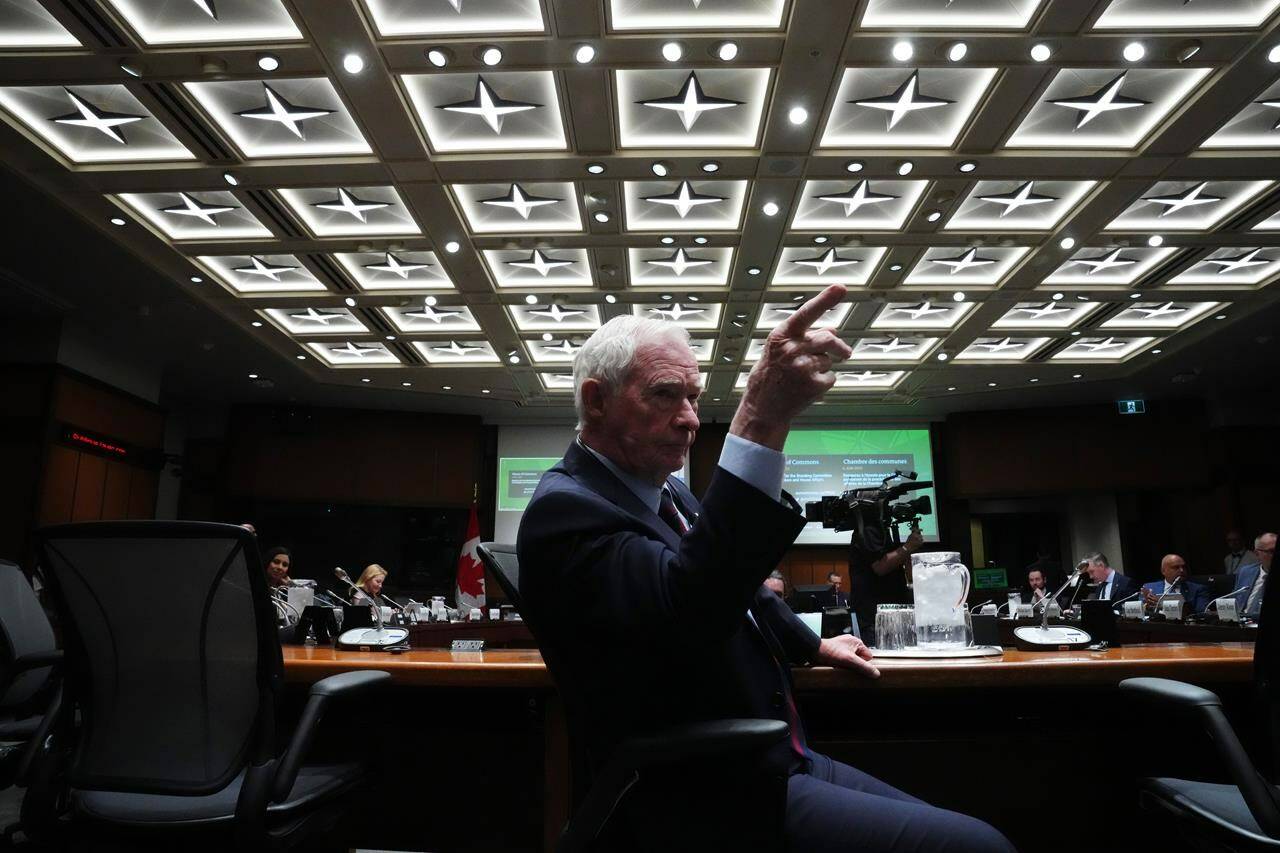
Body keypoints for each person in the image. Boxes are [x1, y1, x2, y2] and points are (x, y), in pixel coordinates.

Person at [517, 284, 1013, 853]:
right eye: (665, 395)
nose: (689, 420)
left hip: (775, 758)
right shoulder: (566, 507)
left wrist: (812, 644)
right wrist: (758, 415)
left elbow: (745, 589)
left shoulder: (669, 493)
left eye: (695, 398)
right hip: (700, 790)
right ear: (596, 399)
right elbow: (692, 602)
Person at [849, 521, 924, 646]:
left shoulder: (886, 531)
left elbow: (910, 575)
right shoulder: (867, 529)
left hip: (895, 615)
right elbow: (880, 567)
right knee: (880, 661)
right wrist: (907, 547)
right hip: (875, 618)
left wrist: (909, 549)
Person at [1141, 554, 1209, 615]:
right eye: (1176, 567)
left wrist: (1162, 605)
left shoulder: (1198, 589)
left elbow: (1202, 613)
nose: (1182, 570)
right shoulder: (1149, 587)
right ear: (1163, 571)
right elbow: (1138, 611)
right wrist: (1147, 607)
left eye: (1184, 567)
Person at [1236, 532, 1275, 619]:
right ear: (1257, 554)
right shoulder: (1245, 572)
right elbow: (1235, 601)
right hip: (1242, 625)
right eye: (1271, 551)